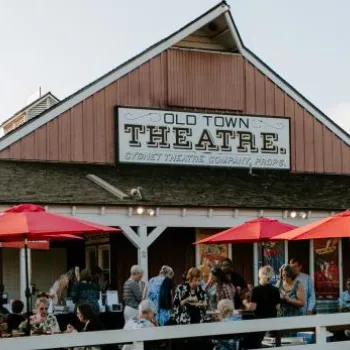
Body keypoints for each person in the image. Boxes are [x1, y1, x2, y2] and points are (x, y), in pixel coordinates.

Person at [243, 266, 281, 349]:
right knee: (276, 343)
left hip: (259, 320)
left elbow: (252, 308)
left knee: (257, 343)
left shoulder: (256, 289)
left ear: (259, 275)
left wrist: (245, 303)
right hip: (272, 319)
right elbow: (278, 307)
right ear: (271, 277)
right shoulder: (275, 290)